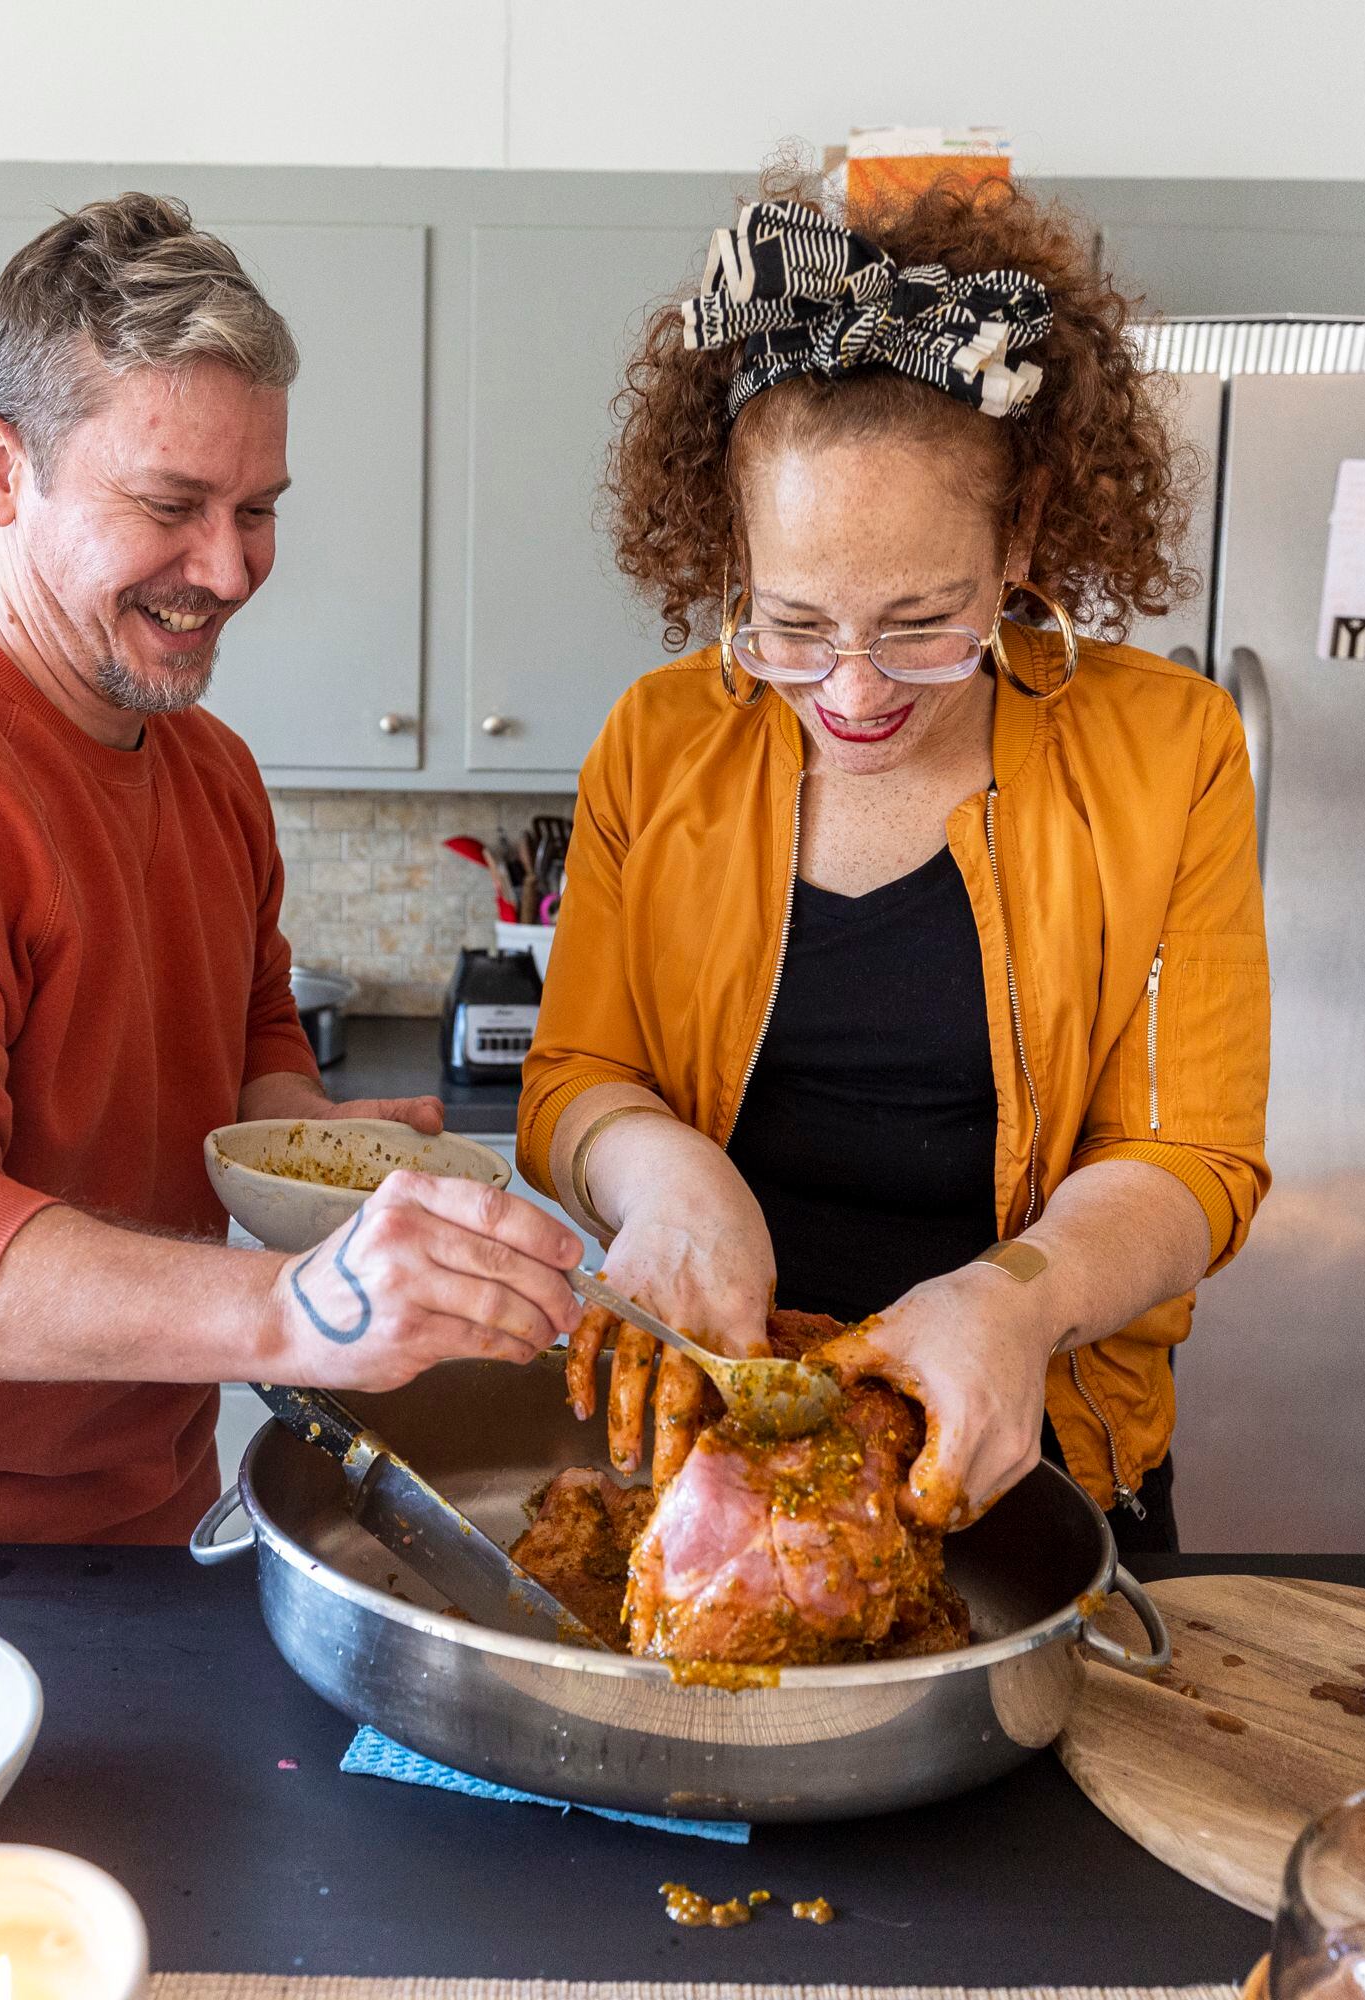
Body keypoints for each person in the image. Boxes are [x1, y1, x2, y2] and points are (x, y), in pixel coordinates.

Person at [0, 194, 583, 1542]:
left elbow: (257, 1042)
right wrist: (294, 1312)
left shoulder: (207, 771)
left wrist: (334, 1178)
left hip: (142, 1513)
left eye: (258, 508)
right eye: (170, 505)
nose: (228, 568)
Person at [518, 178, 1269, 1554]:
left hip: (1033, 1469)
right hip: (712, 1468)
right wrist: (668, 1176)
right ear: (731, 554)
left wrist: (1019, 1299)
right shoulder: (661, 739)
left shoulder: (1169, 752)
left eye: (923, 623)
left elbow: (1192, 1157)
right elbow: (574, 1082)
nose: (851, 690)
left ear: (1024, 537)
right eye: (791, 624)